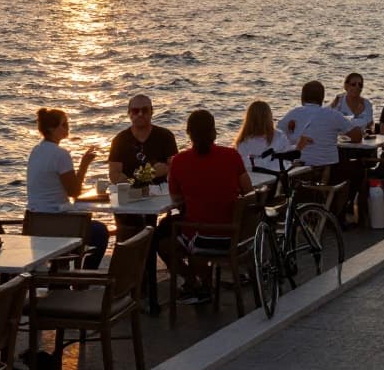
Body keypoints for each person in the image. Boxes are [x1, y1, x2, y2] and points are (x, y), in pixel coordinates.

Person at [161, 110, 253, 304]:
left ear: (189, 133)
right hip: (232, 236)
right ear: (214, 131)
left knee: (160, 238)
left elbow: (176, 199)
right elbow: (248, 190)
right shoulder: (232, 156)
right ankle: (202, 282)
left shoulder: (179, 161)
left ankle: (193, 280)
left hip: (200, 238)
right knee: (192, 224)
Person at [27, 108, 109, 269]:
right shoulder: (60, 154)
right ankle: (85, 276)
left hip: (36, 223)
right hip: (58, 224)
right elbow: (74, 192)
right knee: (100, 232)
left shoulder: (36, 151)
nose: (68, 128)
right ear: (51, 129)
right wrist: (84, 165)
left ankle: (61, 273)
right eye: (64, 125)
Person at [107, 94, 180, 243]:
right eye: (135, 111)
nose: (140, 114)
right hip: (130, 196)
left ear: (152, 112)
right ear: (129, 113)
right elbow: (114, 173)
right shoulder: (120, 140)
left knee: (155, 229)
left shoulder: (165, 136)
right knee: (128, 228)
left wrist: (165, 169)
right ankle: (130, 252)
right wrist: (126, 181)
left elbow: (176, 166)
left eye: (145, 110)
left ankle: (150, 250)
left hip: (158, 194)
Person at [277, 81, 364, 172]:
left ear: (302, 97)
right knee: (355, 164)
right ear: (322, 98)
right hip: (326, 169)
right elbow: (357, 136)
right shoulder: (333, 114)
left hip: (298, 169)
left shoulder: (293, 113)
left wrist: (292, 135)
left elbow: (277, 136)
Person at [234, 100, 292, 168]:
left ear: (249, 119)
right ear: (269, 117)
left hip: (254, 174)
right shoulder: (279, 136)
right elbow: (288, 160)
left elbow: (241, 165)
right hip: (276, 172)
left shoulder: (243, 141)